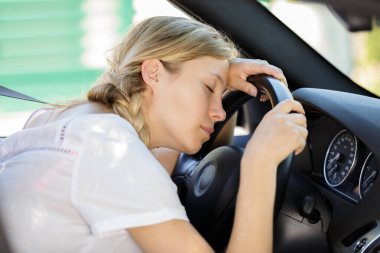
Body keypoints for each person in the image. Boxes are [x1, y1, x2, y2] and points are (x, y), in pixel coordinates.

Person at [0, 16, 307, 253]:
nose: (219, 112)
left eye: (219, 92)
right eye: (207, 89)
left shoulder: (64, 120)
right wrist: (259, 164)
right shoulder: (114, 152)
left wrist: (217, 75)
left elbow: (135, 180)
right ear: (153, 73)